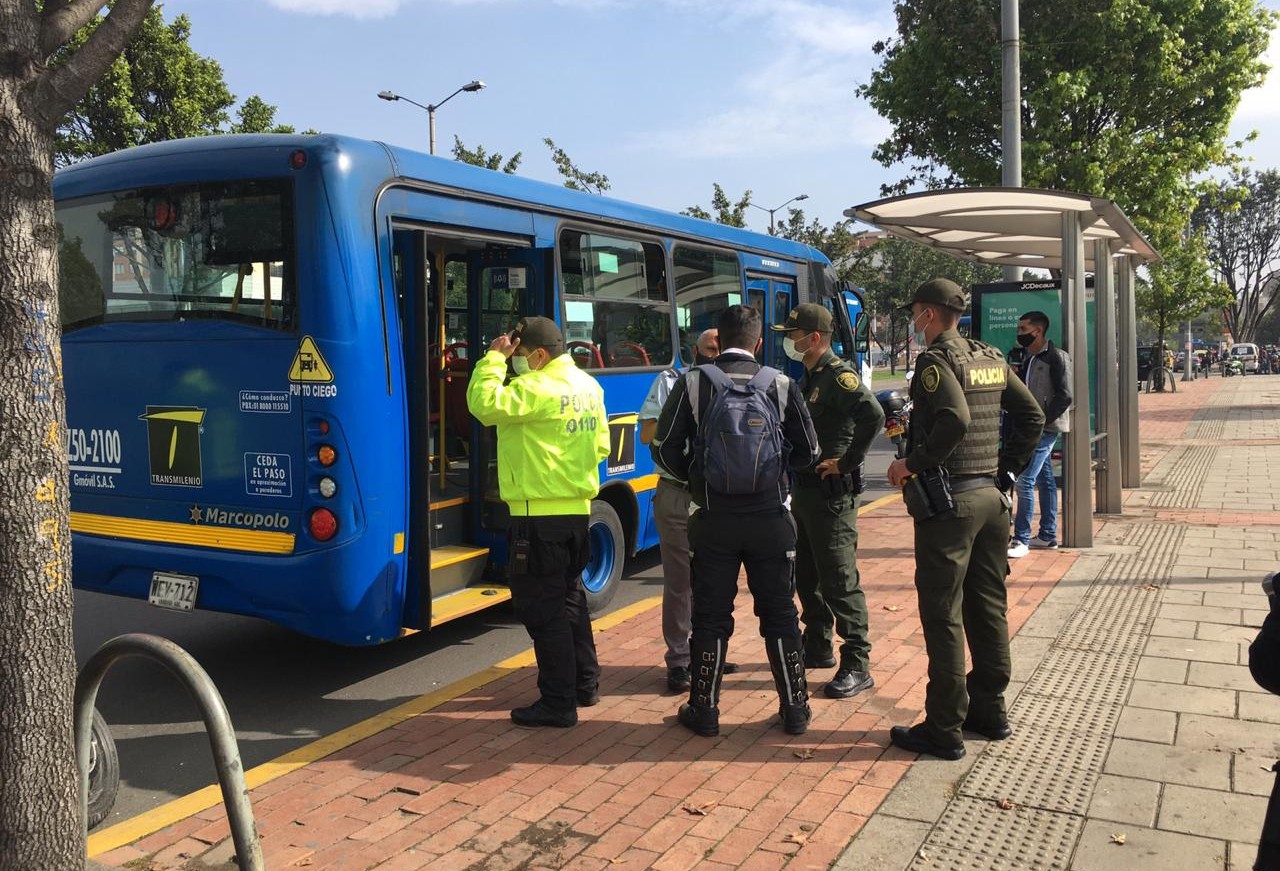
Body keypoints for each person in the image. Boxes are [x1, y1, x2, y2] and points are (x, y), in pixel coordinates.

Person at [887, 279, 1044, 760]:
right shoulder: (990, 357)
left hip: (950, 506)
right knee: (988, 606)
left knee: (944, 615)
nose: (913, 322)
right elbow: (1033, 416)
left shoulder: (936, 361)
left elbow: (953, 420)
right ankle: (990, 711)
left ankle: (944, 728)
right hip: (992, 502)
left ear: (929, 315)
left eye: (914, 312)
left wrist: (910, 464)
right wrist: (1007, 471)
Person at [651, 304, 821, 737]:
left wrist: (699, 480)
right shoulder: (781, 384)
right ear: (758, 342)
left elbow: (663, 447)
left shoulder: (693, 383)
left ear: (718, 341)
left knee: (710, 615)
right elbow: (810, 452)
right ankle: (796, 708)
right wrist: (776, 476)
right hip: (769, 517)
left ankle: (704, 710)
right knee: (780, 613)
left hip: (713, 519)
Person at [466, 316, 610, 728]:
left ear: (541, 354)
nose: (516, 363)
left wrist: (492, 359)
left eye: (520, 355)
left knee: (543, 613)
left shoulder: (533, 388)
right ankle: (585, 683)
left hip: (537, 518)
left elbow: (482, 404)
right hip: (577, 514)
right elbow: (600, 444)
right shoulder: (588, 386)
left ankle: (558, 703)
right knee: (570, 601)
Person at [770, 303, 884, 698]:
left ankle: (857, 662)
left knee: (839, 578)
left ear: (814, 338)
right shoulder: (810, 376)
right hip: (805, 492)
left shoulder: (839, 377)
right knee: (808, 574)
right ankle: (818, 644)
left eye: (794, 334)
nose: (789, 340)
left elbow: (874, 415)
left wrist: (848, 461)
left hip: (831, 497)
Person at [638, 328, 739, 692]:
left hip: (717, 497)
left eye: (720, 348)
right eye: (710, 348)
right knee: (680, 582)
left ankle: (709, 651)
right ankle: (679, 660)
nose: (716, 354)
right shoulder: (671, 382)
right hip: (679, 493)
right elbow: (647, 434)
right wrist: (679, 417)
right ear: (696, 350)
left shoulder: (736, 383)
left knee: (714, 580)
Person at [1007, 311, 1072, 559]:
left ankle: (1021, 539)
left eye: (1023, 329)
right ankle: (1047, 535)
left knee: (1024, 480)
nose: (1019, 333)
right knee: (1044, 481)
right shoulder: (1030, 358)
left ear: (1038, 331)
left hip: (1045, 428)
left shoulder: (1056, 358)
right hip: (1032, 425)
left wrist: (1042, 420)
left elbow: (1065, 395)